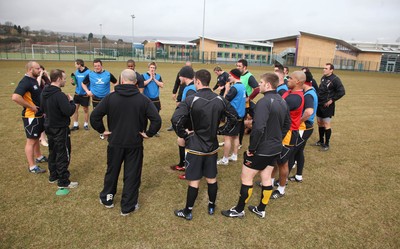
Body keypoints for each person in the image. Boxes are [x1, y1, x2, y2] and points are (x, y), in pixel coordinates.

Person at [90, 69, 162, 216]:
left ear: (122, 80)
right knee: (131, 173)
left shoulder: (116, 98)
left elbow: (95, 115)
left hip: (122, 143)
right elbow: (157, 119)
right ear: (135, 82)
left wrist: (148, 133)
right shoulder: (139, 99)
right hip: (130, 143)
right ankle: (119, 202)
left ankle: (115, 201)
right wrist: (102, 129)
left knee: (114, 170)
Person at [221, 73, 290, 218]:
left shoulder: (264, 102)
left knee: (246, 177)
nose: (258, 85)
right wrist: (277, 139)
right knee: (266, 177)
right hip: (275, 148)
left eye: (260, 82)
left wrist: (252, 148)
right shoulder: (282, 101)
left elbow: (258, 128)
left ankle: (239, 210)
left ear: (268, 85)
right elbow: (287, 125)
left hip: (262, 148)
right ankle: (261, 209)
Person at [172, 69, 238, 220]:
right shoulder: (220, 99)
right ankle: (211, 206)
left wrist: (184, 134)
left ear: (198, 82)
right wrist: (221, 130)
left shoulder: (191, 99)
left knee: (194, 180)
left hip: (196, 147)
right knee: (211, 178)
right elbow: (234, 117)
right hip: (212, 147)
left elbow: (175, 119)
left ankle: (188, 211)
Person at [270, 71, 305, 199]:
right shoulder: (288, 92)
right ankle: (271, 181)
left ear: (298, 82)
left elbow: (277, 109)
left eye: (290, 78)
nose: (287, 80)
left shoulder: (295, 97)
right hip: (281, 131)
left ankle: (281, 189)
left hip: (289, 133)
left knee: (283, 162)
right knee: (275, 158)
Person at [40, 69, 78, 188]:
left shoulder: (44, 92)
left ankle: (53, 175)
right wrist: (71, 101)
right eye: (64, 78)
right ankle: (63, 181)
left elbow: (42, 108)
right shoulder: (59, 95)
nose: (65, 81)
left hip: (49, 126)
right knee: (63, 153)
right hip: (60, 128)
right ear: (58, 79)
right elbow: (69, 111)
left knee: (53, 151)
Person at [12, 61, 48, 174]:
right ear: (30, 69)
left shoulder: (33, 80)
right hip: (31, 116)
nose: (40, 70)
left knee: (36, 138)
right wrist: (31, 106)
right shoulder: (25, 82)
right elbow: (15, 97)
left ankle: (39, 156)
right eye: (37, 69)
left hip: (38, 115)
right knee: (31, 141)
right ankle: (32, 167)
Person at [288, 71, 318, 182]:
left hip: (305, 127)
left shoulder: (308, 95)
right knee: (299, 151)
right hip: (307, 126)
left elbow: (309, 112)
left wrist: (299, 121)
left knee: (292, 151)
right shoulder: (312, 90)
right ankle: (298, 175)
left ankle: (283, 179)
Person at [169, 66, 196, 180]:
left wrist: (190, 127)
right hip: (188, 121)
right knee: (181, 140)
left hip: (190, 121)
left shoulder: (190, 89)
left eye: (180, 75)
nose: (178, 77)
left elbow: (192, 107)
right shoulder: (188, 87)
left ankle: (189, 170)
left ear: (184, 76)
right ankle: (182, 164)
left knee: (189, 143)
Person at [81, 59, 117, 139]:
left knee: (111, 115)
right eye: (95, 66)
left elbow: (116, 83)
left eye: (98, 66)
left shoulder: (108, 74)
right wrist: (88, 91)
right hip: (96, 99)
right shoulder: (90, 75)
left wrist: (113, 91)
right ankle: (102, 132)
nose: (97, 67)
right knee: (97, 117)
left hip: (107, 99)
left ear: (101, 65)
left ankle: (112, 131)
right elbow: (83, 83)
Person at [217, 69, 246, 166]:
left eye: (230, 75)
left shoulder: (234, 88)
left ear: (234, 76)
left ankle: (225, 159)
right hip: (241, 114)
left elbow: (224, 100)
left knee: (227, 137)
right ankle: (234, 155)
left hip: (233, 115)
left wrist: (226, 89)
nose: (229, 77)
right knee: (235, 136)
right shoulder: (242, 86)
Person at [315, 63, 346, 151]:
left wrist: (332, 100)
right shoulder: (323, 77)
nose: (324, 70)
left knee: (326, 124)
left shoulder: (335, 79)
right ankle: (321, 141)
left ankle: (326, 143)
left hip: (327, 106)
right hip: (320, 104)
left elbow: (342, 92)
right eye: (323, 68)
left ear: (331, 70)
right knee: (319, 122)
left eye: (326, 68)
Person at [236, 59, 259, 149]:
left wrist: (249, 98)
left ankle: (240, 143)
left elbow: (257, 89)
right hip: (238, 104)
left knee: (241, 123)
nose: (237, 67)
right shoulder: (239, 75)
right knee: (237, 122)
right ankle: (233, 140)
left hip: (245, 105)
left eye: (239, 66)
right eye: (237, 65)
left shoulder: (249, 76)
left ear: (245, 67)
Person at [167, 61, 192, 131]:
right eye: (186, 66)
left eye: (188, 66)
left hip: (189, 95)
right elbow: (177, 82)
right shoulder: (181, 73)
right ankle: (173, 124)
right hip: (181, 93)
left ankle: (185, 124)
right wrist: (174, 92)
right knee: (178, 108)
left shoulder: (194, 75)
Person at [71, 59, 91, 131]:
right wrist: (73, 82)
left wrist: (88, 91)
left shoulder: (89, 72)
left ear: (79, 64)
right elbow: (75, 83)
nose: (75, 65)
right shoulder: (76, 72)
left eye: (76, 64)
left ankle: (86, 124)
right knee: (75, 109)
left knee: (85, 110)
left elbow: (91, 83)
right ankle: (75, 125)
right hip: (77, 94)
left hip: (85, 95)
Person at [37, 65, 51, 147]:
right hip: (40, 102)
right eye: (39, 70)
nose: (40, 72)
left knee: (46, 119)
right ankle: (42, 138)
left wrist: (46, 75)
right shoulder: (36, 79)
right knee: (43, 119)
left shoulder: (45, 78)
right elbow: (37, 86)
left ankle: (44, 137)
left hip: (47, 101)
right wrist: (39, 76)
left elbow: (51, 84)